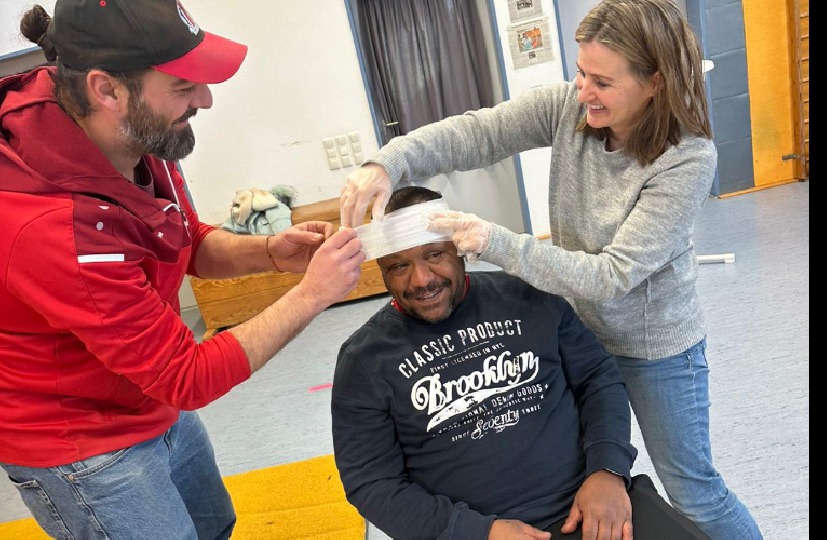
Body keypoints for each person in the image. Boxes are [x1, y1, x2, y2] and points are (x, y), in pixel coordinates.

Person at [338, 1, 762, 538]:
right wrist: (387, 163)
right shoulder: (570, 108)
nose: (583, 91)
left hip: (652, 350)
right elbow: (477, 133)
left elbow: (611, 277)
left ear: (654, 83)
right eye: (581, 72)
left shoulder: (687, 158)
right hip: (576, 328)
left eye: (602, 81)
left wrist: (494, 241)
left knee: (694, 491)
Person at [0, 1, 363, 538]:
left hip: (147, 392)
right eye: (182, 85)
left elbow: (183, 238)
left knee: (214, 524)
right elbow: (187, 377)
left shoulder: (140, 134)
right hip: (81, 440)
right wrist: (312, 294)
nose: (205, 99)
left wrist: (268, 251)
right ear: (106, 90)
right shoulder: (52, 228)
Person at [331, 186, 708, 540]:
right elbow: (372, 483)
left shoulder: (527, 298)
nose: (421, 280)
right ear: (381, 269)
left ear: (459, 249)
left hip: (590, 503)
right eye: (398, 266)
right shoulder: (363, 360)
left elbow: (597, 377)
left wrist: (608, 469)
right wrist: (478, 531)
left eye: (434, 255)